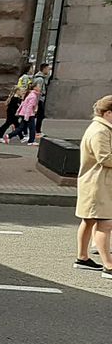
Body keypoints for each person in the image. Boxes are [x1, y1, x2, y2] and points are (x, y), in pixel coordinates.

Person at [73, 95, 112, 275]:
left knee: (88, 221)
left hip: (95, 182)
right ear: (108, 113)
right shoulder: (100, 131)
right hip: (98, 183)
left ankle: (82, 258)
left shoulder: (100, 128)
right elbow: (105, 158)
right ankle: (109, 266)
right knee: (105, 223)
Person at [33, 63, 51, 137]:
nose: (48, 71)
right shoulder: (40, 79)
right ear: (44, 69)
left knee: (37, 116)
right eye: (48, 69)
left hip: (39, 99)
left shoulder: (41, 78)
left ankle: (36, 130)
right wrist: (37, 103)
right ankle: (37, 131)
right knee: (40, 115)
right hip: (39, 99)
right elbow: (38, 91)